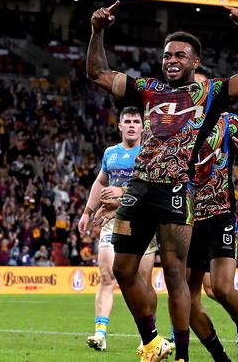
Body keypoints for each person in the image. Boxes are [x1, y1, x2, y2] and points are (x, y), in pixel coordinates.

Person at [87, 1, 238, 362]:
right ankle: (152, 342)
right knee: (121, 269)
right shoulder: (147, 89)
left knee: (175, 277)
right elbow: (97, 73)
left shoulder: (210, 94)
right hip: (139, 186)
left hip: (175, 190)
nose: (171, 60)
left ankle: (183, 356)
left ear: (195, 62)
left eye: (180, 55)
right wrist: (97, 31)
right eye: (167, 54)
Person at [187, 107, 238, 362]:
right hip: (185, 220)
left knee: (221, 288)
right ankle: (221, 359)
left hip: (220, 214)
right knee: (186, 302)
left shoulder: (227, 120)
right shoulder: (174, 121)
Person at [78, 106, 158, 352]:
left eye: (136, 121)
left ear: (143, 127)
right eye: (128, 121)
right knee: (106, 275)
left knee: (143, 282)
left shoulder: (150, 153)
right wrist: (87, 211)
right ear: (120, 126)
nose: (132, 125)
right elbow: (100, 181)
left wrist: (121, 193)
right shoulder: (110, 154)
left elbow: (151, 187)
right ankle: (100, 334)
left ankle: (148, 336)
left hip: (143, 221)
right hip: (115, 221)